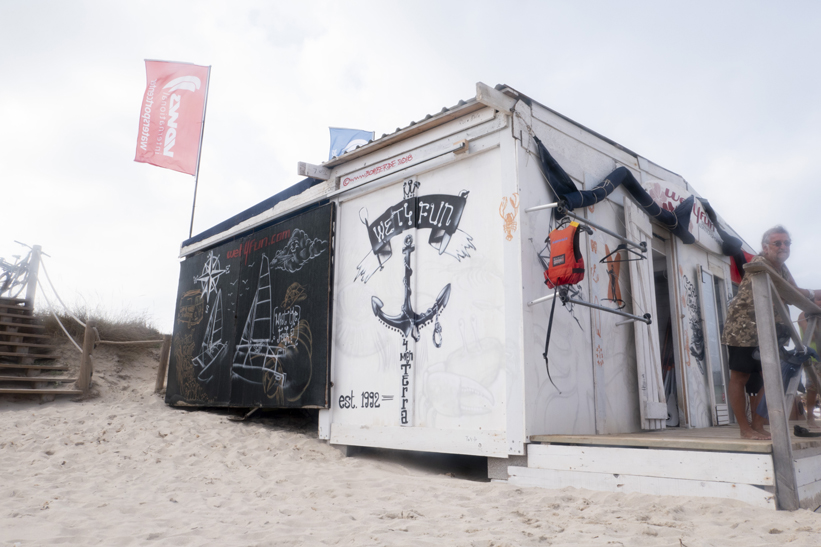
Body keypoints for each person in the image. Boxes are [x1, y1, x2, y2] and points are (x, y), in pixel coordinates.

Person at [721, 226, 816, 439]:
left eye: (787, 243)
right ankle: (745, 429)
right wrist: (813, 294)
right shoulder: (761, 263)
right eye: (778, 243)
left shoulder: (781, 267)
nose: (783, 247)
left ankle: (758, 424)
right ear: (765, 247)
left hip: (768, 329)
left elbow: (796, 291)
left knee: (773, 375)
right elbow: (792, 293)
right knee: (740, 377)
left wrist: (813, 295)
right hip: (743, 328)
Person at [798, 292, 821, 428]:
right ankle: (810, 418)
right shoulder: (804, 315)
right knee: (812, 388)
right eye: (819, 300)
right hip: (812, 358)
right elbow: (811, 336)